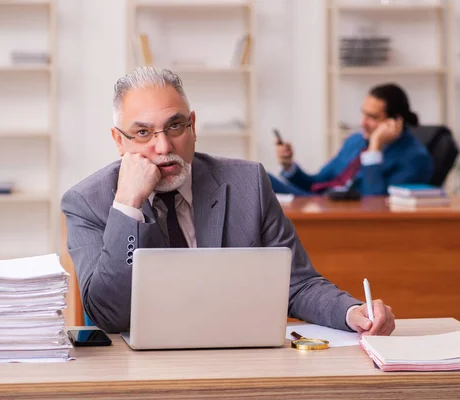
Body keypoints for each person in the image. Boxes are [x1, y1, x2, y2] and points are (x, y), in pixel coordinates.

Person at [61, 67, 395, 335]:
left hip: (237, 359)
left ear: (192, 126)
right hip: (139, 370)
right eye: (143, 133)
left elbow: (297, 283)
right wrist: (127, 205)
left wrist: (353, 312)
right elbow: (109, 316)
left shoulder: (248, 183)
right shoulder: (87, 202)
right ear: (119, 141)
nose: (163, 148)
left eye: (174, 126)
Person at [270, 83, 433, 196]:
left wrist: (375, 149)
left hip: (346, 220)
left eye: (372, 117)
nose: (363, 123)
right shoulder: (355, 141)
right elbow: (315, 183)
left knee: (261, 182)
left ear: (395, 121)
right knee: (260, 180)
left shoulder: (415, 159)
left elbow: (375, 203)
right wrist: (288, 165)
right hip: (319, 203)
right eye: (364, 114)